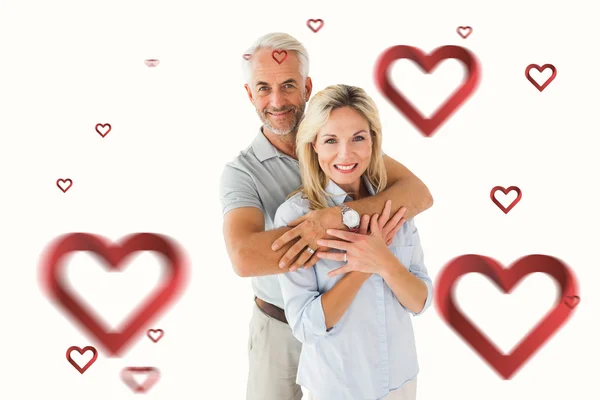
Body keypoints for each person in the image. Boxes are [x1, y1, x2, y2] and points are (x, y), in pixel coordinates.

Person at [219, 32, 434, 400]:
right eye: (264, 87)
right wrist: (358, 249)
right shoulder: (243, 172)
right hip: (281, 325)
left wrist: (338, 218)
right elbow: (245, 258)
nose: (277, 100)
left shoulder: (346, 142)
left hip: (357, 333)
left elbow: (418, 195)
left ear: (306, 86)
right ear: (249, 93)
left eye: (288, 85)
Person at [274, 84, 433, 400]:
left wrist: (383, 261)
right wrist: (362, 267)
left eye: (358, 138)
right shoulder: (296, 216)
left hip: (400, 383)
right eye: (331, 140)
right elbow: (305, 325)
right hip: (337, 387)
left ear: (374, 141)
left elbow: (421, 301)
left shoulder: (394, 206)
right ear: (314, 146)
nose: (345, 154)